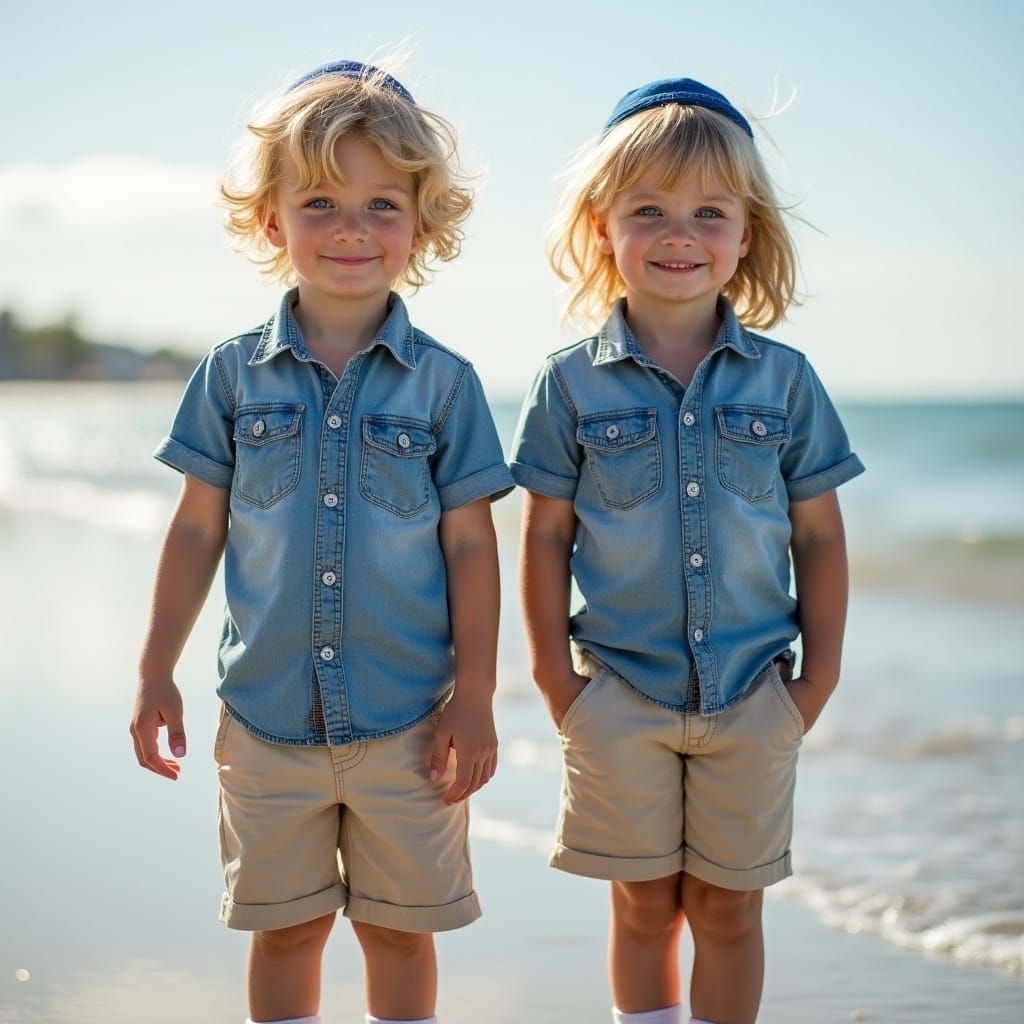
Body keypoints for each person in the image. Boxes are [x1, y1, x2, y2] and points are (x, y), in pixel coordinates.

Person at [130, 60, 514, 1024]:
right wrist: (153, 671)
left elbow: (473, 548)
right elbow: (196, 527)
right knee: (286, 930)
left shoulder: (447, 387)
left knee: (397, 932)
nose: (351, 227)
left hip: (411, 724)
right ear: (271, 221)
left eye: (383, 203)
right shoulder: (229, 377)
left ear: (422, 228)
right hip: (264, 720)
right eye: (320, 201)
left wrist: (476, 694)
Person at [511, 78, 864, 1024]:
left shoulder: (786, 381)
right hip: (617, 690)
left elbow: (820, 535)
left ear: (745, 234)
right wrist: (555, 678)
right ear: (602, 228)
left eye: (709, 213)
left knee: (728, 906)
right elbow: (544, 534)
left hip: (755, 690)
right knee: (642, 903)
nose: (680, 235)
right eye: (650, 211)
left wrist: (817, 680)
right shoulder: (569, 387)